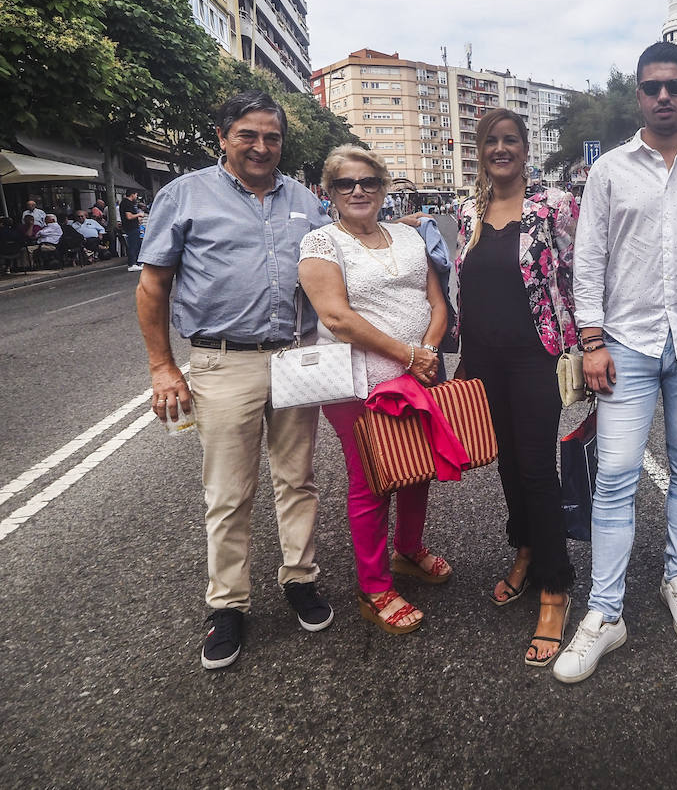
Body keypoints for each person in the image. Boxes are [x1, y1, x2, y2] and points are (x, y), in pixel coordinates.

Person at [554, 41, 677, 684]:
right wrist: (590, 340)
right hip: (626, 345)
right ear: (638, 95)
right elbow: (588, 258)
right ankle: (606, 614)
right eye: (651, 86)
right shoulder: (609, 170)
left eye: (675, 86)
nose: (663, 96)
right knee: (613, 475)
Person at [135, 91, 335, 670]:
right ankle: (228, 605)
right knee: (228, 492)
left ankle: (300, 578)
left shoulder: (304, 200)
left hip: (296, 359)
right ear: (223, 136)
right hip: (223, 363)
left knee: (297, 479)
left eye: (271, 137)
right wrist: (163, 367)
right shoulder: (185, 194)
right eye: (248, 135)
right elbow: (153, 287)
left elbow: (333, 274)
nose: (261, 147)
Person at [298, 145, 450, 635]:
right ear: (330, 192)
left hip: (419, 371)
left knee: (417, 468)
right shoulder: (322, 243)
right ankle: (374, 585)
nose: (358, 191)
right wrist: (407, 355)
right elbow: (337, 318)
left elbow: (435, 300)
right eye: (346, 184)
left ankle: (409, 549)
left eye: (368, 182)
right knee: (374, 480)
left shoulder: (408, 237)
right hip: (359, 384)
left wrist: (425, 352)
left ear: (384, 188)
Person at [453, 108, 579, 666]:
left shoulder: (553, 207)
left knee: (535, 469)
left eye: (510, 141)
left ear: (527, 149)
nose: (500, 149)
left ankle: (555, 585)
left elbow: (578, 272)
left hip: (535, 358)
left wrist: (587, 343)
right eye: (491, 142)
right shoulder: (468, 212)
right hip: (482, 360)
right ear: (480, 152)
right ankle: (525, 550)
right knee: (506, 465)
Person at [120, 190, 143, 272]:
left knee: (137, 244)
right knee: (133, 245)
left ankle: (138, 262)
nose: (136, 197)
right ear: (132, 194)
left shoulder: (125, 203)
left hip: (133, 226)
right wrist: (139, 215)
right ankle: (132, 264)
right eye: (136, 195)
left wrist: (137, 219)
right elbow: (129, 216)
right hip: (131, 227)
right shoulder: (127, 203)